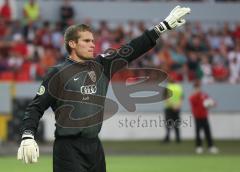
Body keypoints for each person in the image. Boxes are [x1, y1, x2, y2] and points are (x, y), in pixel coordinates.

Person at [17, 5, 191, 172]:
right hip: (68, 149)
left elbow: (131, 50)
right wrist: (27, 135)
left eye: (93, 40)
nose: (92, 44)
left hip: (94, 148)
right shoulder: (57, 73)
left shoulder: (102, 65)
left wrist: (162, 28)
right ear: (72, 43)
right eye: (86, 41)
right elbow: (35, 107)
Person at [189, 80, 219, 154]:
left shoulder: (204, 95)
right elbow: (194, 103)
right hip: (197, 117)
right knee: (198, 132)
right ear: (194, 88)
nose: (197, 89)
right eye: (196, 87)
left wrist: (212, 104)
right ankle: (199, 147)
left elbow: (210, 102)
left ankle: (211, 147)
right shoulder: (192, 97)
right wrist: (198, 96)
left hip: (204, 116)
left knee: (207, 132)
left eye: (198, 87)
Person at [163, 72, 184, 143]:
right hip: (176, 108)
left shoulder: (167, 87)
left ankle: (168, 138)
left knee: (169, 124)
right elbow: (181, 98)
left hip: (169, 108)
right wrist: (177, 106)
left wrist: (173, 106)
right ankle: (177, 139)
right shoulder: (179, 87)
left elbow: (166, 98)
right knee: (176, 124)